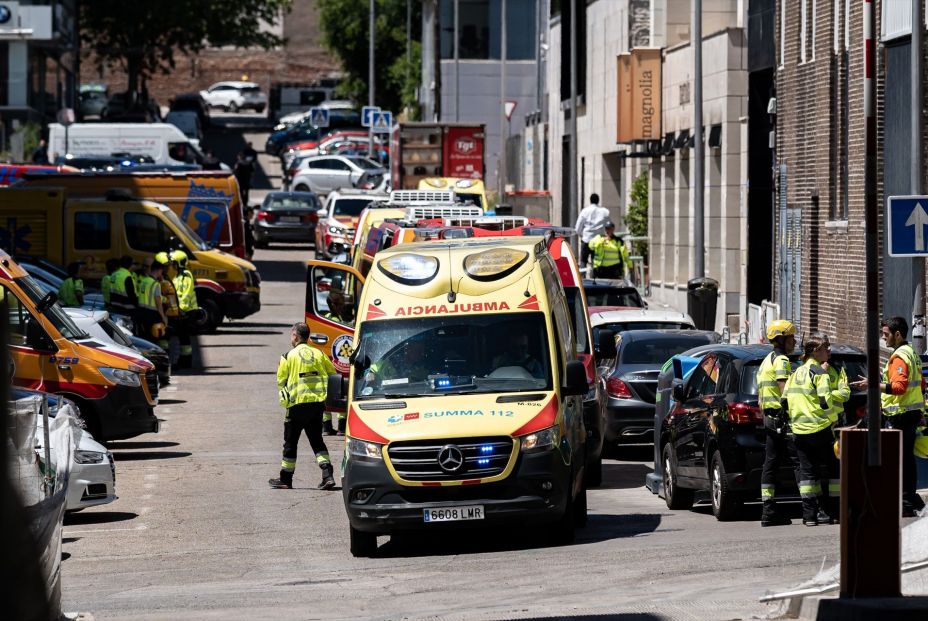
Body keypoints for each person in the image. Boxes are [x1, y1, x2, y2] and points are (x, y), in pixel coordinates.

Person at [853, 316, 927, 517]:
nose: (883, 338)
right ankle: (909, 499)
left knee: (895, 461)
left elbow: (899, 387)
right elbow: (921, 384)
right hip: (910, 415)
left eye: (886, 334)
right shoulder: (912, 352)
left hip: (899, 417)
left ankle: (904, 501)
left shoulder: (898, 358)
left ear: (897, 334)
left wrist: (872, 384)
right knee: (906, 460)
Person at [269, 322, 338, 490]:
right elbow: (332, 374)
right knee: (317, 441)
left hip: (297, 406)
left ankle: (286, 479)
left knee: (291, 442)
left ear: (295, 336)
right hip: (316, 405)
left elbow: (281, 381)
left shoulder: (287, 356)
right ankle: (327, 474)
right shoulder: (319, 353)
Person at [786, 332, 843, 526]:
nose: (829, 350)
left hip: (799, 431)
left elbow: (784, 401)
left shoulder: (796, 373)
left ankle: (809, 515)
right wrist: (833, 421)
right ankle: (833, 511)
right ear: (815, 351)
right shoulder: (820, 373)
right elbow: (826, 401)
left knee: (808, 474)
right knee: (833, 470)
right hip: (820, 428)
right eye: (825, 348)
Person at [757, 319, 797, 527]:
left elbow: (760, 399)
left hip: (769, 418)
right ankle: (812, 509)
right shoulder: (782, 361)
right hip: (782, 418)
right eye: (791, 337)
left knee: (770, 463)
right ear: (781, 339)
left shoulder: (766, 361)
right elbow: (785, 391)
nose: (794, 341)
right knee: (800, 461)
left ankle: (768, 509)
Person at [171, 250, 199, 369]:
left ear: (179, 263)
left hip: (187, 311)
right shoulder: (177, 276)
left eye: (174, 263)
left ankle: (186, 361)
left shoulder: (186, 275)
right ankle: (184, 360)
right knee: (182, 337)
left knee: (184, 337)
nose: (172, 265)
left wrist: (181, 309)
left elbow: (186, 294)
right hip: (182, 311)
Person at [154, 252, 180, 362]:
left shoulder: (165, 280)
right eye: (165, 266)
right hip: (165, 313)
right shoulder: (160, 281)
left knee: (166, 340)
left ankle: (169, 361)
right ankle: (167, 362)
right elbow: (159, 298)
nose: (168, 268)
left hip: (170, 314)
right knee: (163, 340)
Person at [574, 193, 610, 268]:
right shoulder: (605, 211)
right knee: (597, 263)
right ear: (598, 201)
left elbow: (578, 228)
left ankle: (582, 278)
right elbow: (609, 226)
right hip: (599, 241)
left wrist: (582, 235)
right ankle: (595, 277)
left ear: (590, 200)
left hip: (586, 240)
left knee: (583, 262)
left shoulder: (585, 211)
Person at [136, 258, 166, 340]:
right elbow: (158, 302)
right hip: (151, 314)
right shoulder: (155, 284)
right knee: (154, 336)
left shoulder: (143, 281)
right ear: (159, 270)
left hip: (141, 311)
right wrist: (163, 317)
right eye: (161, 271)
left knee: (144, 337)